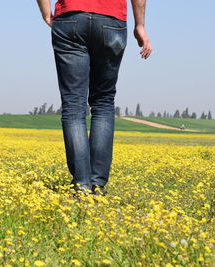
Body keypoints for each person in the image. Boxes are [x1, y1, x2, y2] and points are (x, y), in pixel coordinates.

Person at [35, 0, 152, 196]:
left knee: (73, 105)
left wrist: (46, 13)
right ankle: (97, 185)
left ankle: (81, 185)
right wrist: (140, 25)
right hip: (111, 20)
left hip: (70, 18)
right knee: (103, 102)